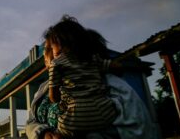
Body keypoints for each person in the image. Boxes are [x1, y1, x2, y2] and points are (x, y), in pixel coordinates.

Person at [25, 15, 160, 139]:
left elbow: (140, 130)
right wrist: (42, 133)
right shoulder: (44, 88)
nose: (46, 55)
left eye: (49, 48)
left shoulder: (112, 85)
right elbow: (31, 122)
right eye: (48, 49)